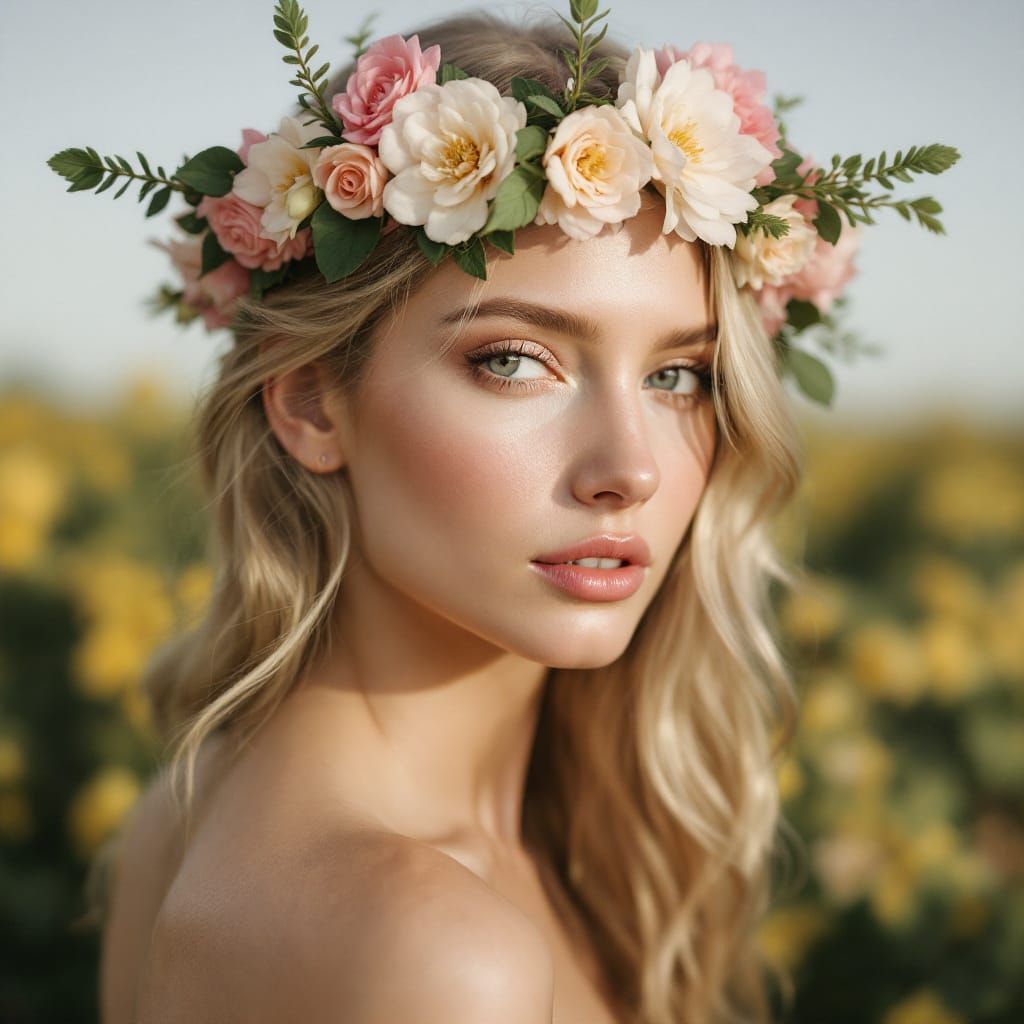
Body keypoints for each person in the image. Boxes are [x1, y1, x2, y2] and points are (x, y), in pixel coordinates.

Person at [48, 3, 956, 1023]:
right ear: (311, 401)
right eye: (516, 362)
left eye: (677, 376)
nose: (629, 470)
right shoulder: (432, 954)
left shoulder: (185, 812)